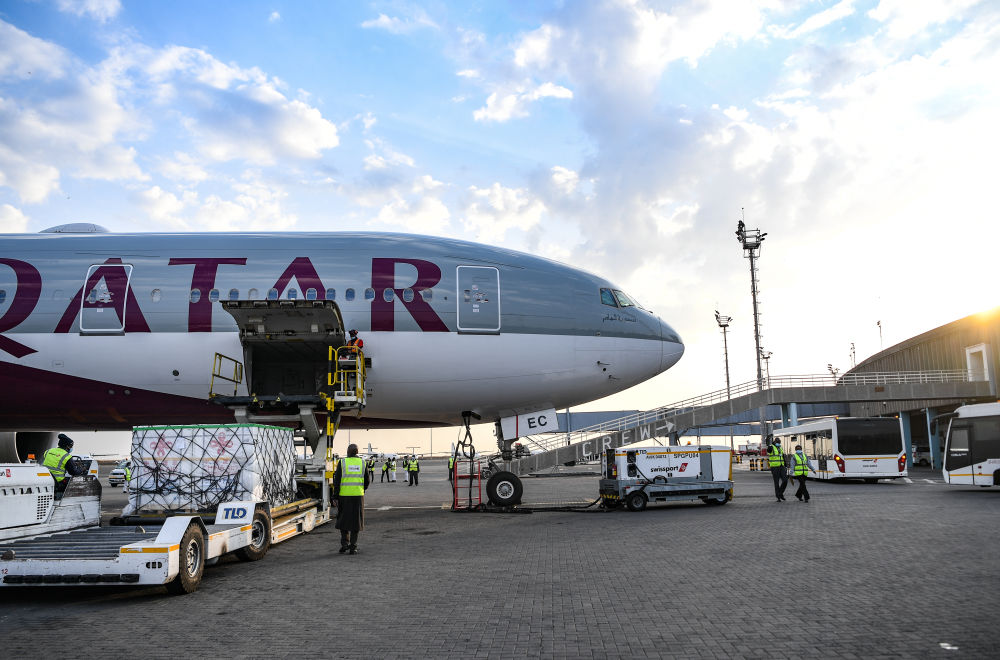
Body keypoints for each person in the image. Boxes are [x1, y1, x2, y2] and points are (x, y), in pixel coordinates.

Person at [333, 443, 370, 555]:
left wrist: (335, 496)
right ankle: (353, 547)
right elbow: (367, 481)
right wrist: (361, 489)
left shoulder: (343, 462)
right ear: (357, 452)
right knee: (356, 521)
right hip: (358, 496)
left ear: (348, 451)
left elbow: (337, 481)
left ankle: (345, 544)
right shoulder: (363, 463)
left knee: (343, 520)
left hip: (344, 496)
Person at [42, 433, 86, 498]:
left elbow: (54, 461)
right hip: (58, 483)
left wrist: (70, 463)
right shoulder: (66, 456)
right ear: (67, 446)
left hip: (45, 479)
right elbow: (74, 472)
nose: (71, 448)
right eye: (71, 446)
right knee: (76, 484)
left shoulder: (48, 451)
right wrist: (82, 469)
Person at [766, 435, 788, 502]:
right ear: (774, 442)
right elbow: (768, 451)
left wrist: (785, 464)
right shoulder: (771, 447)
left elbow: (782, 456)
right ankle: (778, 497)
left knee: (785, 480)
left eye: (779, 442)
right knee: (776, 482)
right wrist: (768, 444)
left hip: (782, 466)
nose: (778, 443)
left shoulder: (780, 448)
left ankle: (780, 493)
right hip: (774, 467)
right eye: (777, 442)